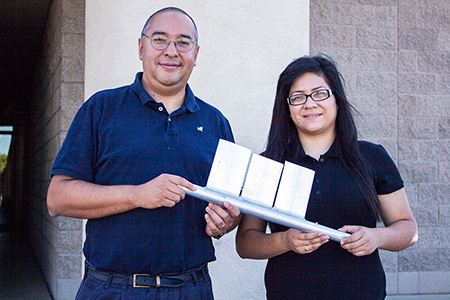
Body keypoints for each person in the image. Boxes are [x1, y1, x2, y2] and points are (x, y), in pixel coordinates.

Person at [47, 7, 240, 300]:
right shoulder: (101, 109)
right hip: (112, 289)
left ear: (196, 54)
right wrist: (138, 195)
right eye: (160, 40)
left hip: (191, 289)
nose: (171, 51)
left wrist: (226, 221)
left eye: (183, 42)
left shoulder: (216, 123)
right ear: (141, 47)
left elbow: (231, 206)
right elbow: (58, 198)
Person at [235, 55, 418, 300]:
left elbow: (408, 229)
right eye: (298, 97)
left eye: (319, 93)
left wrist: (376, 237)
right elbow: (246, 243)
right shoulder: (268, 164)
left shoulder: (372, 157)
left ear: (337, 100)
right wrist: (286, 241)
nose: (309, 104)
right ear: (287, 109)